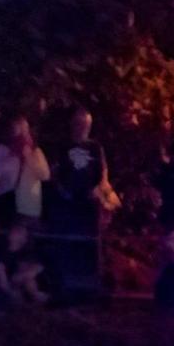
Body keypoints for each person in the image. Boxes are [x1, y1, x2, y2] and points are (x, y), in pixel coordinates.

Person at [47, 105, 111, 301]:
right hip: (68, 200)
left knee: (89, 242)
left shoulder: (95, 147)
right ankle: (67, 285)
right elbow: (54, 172)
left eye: (86, 124)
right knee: (68, 240)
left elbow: (103, 172)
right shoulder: (63, 146)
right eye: (79, 124)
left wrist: (99, 189)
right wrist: (61, 189)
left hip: (89, 201)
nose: (82, 128)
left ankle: (89, 285)